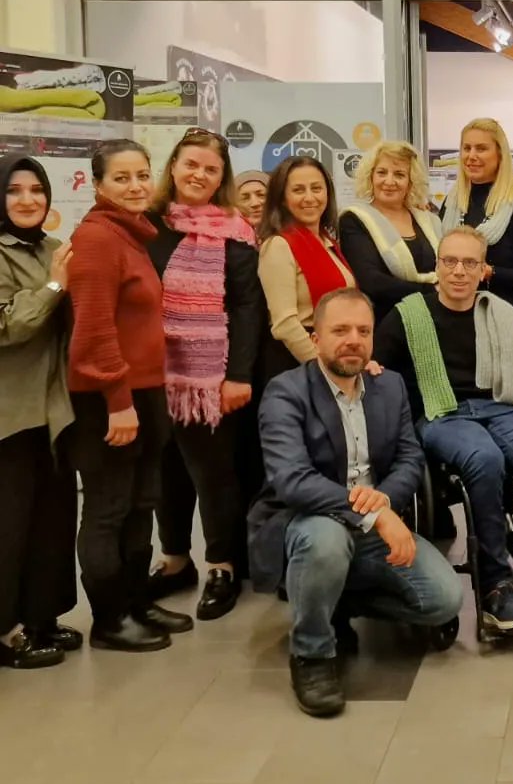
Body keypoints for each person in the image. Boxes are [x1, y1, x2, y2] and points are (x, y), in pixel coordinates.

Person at [375, 227, 513, 634]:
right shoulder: (407, 315)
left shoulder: (498, 312)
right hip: (442, 414)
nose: (459, 271)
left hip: (500, 408)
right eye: (450, 261)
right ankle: (497, 583)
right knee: (485, 458)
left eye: (470, 263)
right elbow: (375, 367)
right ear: (437, 266)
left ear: (483, 270)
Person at [249, 287, 462, 718]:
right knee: (325, 541)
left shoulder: (389, 386)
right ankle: (312, 654)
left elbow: (409, 457)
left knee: (443, 600)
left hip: (371, 527)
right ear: (316, 339)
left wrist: (385, 499)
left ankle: (330, 601)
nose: (354, 340)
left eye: (363, 331)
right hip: (308, 520)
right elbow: (291, 480)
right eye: (340, 330)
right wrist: (377, 513)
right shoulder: (285, 392)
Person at [59, 140, 193, 652]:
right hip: (109, 399)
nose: (136, 186)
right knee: (109, 508)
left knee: (142, 503)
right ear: (97, 185)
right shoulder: (97, 238)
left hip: (146, 391)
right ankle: (110, 619)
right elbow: (93, 332)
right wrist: (118, 401)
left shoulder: (131, 233)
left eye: (142, 175)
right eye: (121, 178)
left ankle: (136, 602)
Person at [143, 129, 264, 620]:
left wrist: (238, 375)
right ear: (173, 165)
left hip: (211, 379)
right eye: (191, 164)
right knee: (165, 472)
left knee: (213, 474)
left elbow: (248, 308)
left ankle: (221, 565)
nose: (199, 174)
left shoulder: (235, 231)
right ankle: (175, 560)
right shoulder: (147, 225)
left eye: (210, 169)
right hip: (154, 374)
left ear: (221, 178)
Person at [0, 155, 79, 669]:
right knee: (8, 527)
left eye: (36, 190)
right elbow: (8, 326)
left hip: (57, 410)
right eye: (14, 190)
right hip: (10, 413)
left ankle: (40, 616)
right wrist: (54, 287)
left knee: (52, 521)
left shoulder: (55, 249)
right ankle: (5, 631)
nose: (28, 200)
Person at [258, 155, 355, 377]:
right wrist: (324, 367)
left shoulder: (328, 242)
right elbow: (285, 324)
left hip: (332, 354)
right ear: (282, 199)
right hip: (299, 363)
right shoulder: (278, 245)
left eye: (316, 188)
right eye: (298, 190)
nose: (310, 198)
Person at [439, 118, 513, 315]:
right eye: (466, 148)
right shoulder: (451, 203)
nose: (471, 156)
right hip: (451, 313)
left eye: (481, 149)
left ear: (499, 154)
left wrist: (491, 273)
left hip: (500, 315)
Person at [339, 140, 442, 313]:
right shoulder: (353, 220)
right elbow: (371, 282)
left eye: (399, 175)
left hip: (433, 313)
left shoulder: (430, 221)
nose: (389, 181)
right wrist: (433, 290)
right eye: (381, 172)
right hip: (386, 318)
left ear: (411, 182)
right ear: (371, 176)